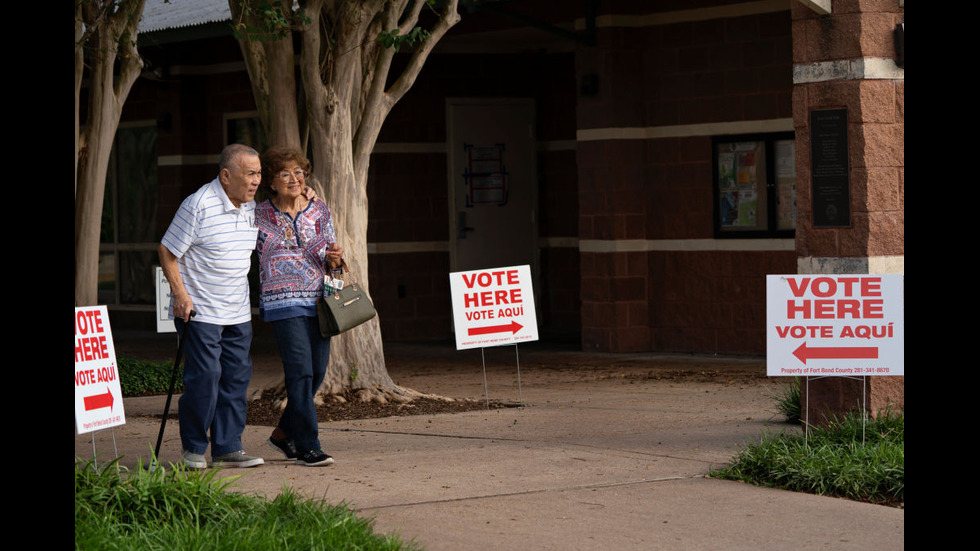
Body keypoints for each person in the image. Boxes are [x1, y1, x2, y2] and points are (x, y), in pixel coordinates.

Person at [158, 144, 266, 469]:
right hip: (200, 310)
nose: (256, 181)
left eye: (259, 174)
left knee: (235, 377)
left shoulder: (250, 208)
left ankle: (227, 447)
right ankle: (193, 448)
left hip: (237, 310)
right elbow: (167, 250)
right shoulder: (198, 204)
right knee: (205, 376)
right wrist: (179, 294)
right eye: (250, 174)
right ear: (226, 175)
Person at [255, 146, 344, 467]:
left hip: (319, 299)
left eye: (299, 173)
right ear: (271, 181)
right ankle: (309, 445)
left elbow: (332, 255)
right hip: (281, 301)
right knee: (300, 372)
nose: (294, 179)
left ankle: (283, 434)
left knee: (317, 372)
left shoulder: (319, 209)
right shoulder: (258, 213)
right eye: (285, 174)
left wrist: (335, 259)